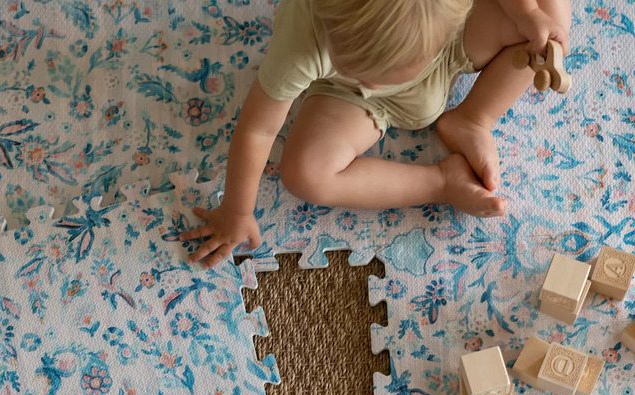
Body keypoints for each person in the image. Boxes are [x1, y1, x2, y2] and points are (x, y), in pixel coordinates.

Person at [179, 0, 571, 267]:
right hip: (351, 96)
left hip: (453, 34)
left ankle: (474, 118)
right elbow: (258, 129)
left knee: (551, 16)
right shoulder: (303, 38)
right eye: (374, 71)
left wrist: (526, 14)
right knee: (304, 172)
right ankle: (439, 183)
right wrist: (236, 210)